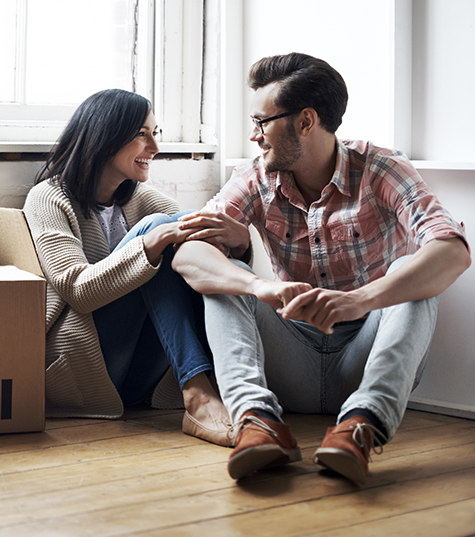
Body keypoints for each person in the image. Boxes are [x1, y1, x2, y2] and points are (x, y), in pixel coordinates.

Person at [173, 53, 470, 483]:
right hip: (289, 358)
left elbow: (452, 250)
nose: (255, 136)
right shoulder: (255, 176)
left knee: (412, 275)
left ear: (306, 121)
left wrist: (357, 300)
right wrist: (260, 287)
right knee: (224, 277)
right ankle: (257, 423)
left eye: (262, 122)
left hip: (366, 359)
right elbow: (187, 254)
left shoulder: (381, 168)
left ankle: (361, 427)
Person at [23, 88, 234, 446]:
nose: (154, 147)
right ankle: (199, 393)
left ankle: (227, 382)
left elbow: (191, 233)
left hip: (141, 375)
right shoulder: (49, 197)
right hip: (87, 367)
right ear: (104, 137)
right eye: (142, 134)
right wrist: (150, 243)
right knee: (158, 231)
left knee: (183, 227)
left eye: (156, 133)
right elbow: (78, 291)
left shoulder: (139, 197)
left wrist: (231, 239)